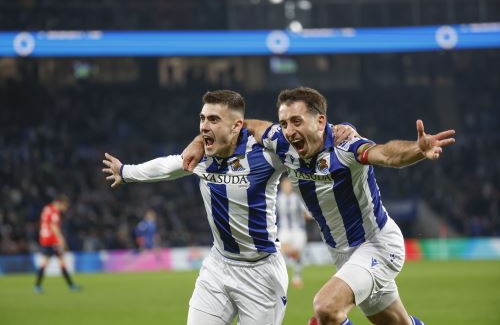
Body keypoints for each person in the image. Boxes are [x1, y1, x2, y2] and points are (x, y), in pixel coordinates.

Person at [182, 87, 455, 325]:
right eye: (284, 122)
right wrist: (198, 140)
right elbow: (245, 124)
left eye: (296, 121)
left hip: (376, 245)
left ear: (320, 120)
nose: (289, 131)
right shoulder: (282, 143)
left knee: (326, 308)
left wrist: (417, 150)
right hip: (342, 254)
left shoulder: (345, 146)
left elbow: (386, 154)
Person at [103, 90, 355, 325]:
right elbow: (169, 167)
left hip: (261, 273)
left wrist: (345, 130)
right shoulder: (202, 156)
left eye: (213, 119)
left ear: (236, 126)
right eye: (202, 118)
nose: (204, 126)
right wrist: (125, 172)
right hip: (218, 266)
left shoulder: (267, 152)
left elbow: (311, 138)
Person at [34, 195, 80, 294]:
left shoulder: (47, 208)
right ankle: (71, 286)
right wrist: (61, 240)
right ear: (61, 203)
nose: (65, 209)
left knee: (49, 262)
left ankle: (37, 286)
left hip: (44, 238)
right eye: (65, 206)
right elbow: (54, 226)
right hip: (52, 240)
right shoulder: (55, 212)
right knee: (60, 262)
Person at [276, 176, 311, 289]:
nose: (287, 186)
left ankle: (296, 277)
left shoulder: (298, 198)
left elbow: (307, 213)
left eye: (288, 184)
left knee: (296, 254)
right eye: (285, 184)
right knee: (282, 251)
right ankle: (282, 277)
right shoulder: (277, 198)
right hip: (284, 229)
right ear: (281, 186)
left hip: (298, 230)